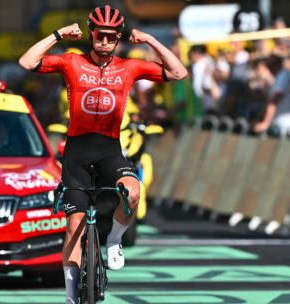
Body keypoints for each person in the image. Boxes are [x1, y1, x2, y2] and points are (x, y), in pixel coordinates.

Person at [19, 5, 187, 304]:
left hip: (110, 149)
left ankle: (113, 239)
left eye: (111, 37)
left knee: (132, 193)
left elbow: (178, 72)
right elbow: (26, 61)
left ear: (119, 38)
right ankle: (72, 298)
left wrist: (148, 39)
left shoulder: (129, 67)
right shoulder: (72, 62)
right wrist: (58, 34)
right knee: (74, 226)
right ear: (91, 35)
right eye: (100, 36)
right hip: (77, 152)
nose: (105, 42)